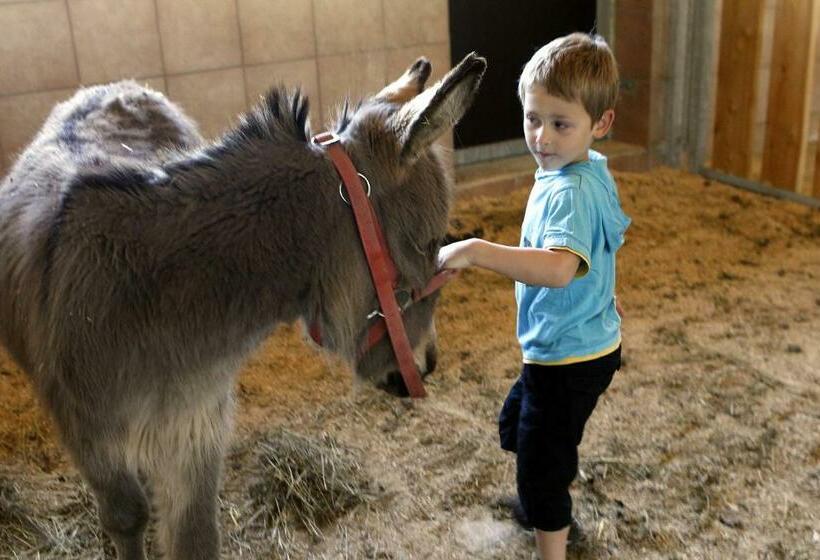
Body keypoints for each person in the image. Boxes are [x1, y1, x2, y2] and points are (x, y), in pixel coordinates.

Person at [437, 32, 630, 560]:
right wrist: (605, 298)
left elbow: (561, 268)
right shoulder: (579, 169)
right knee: (518, 424)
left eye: (560, 124)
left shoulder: (571, 190)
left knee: (543, 468)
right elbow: (606, 241)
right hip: (576, 344)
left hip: (570, 357)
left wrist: (477, 250)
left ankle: (548, 530)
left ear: (601, 123)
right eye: (532, 118)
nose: (542, 136)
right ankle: (540, 486)